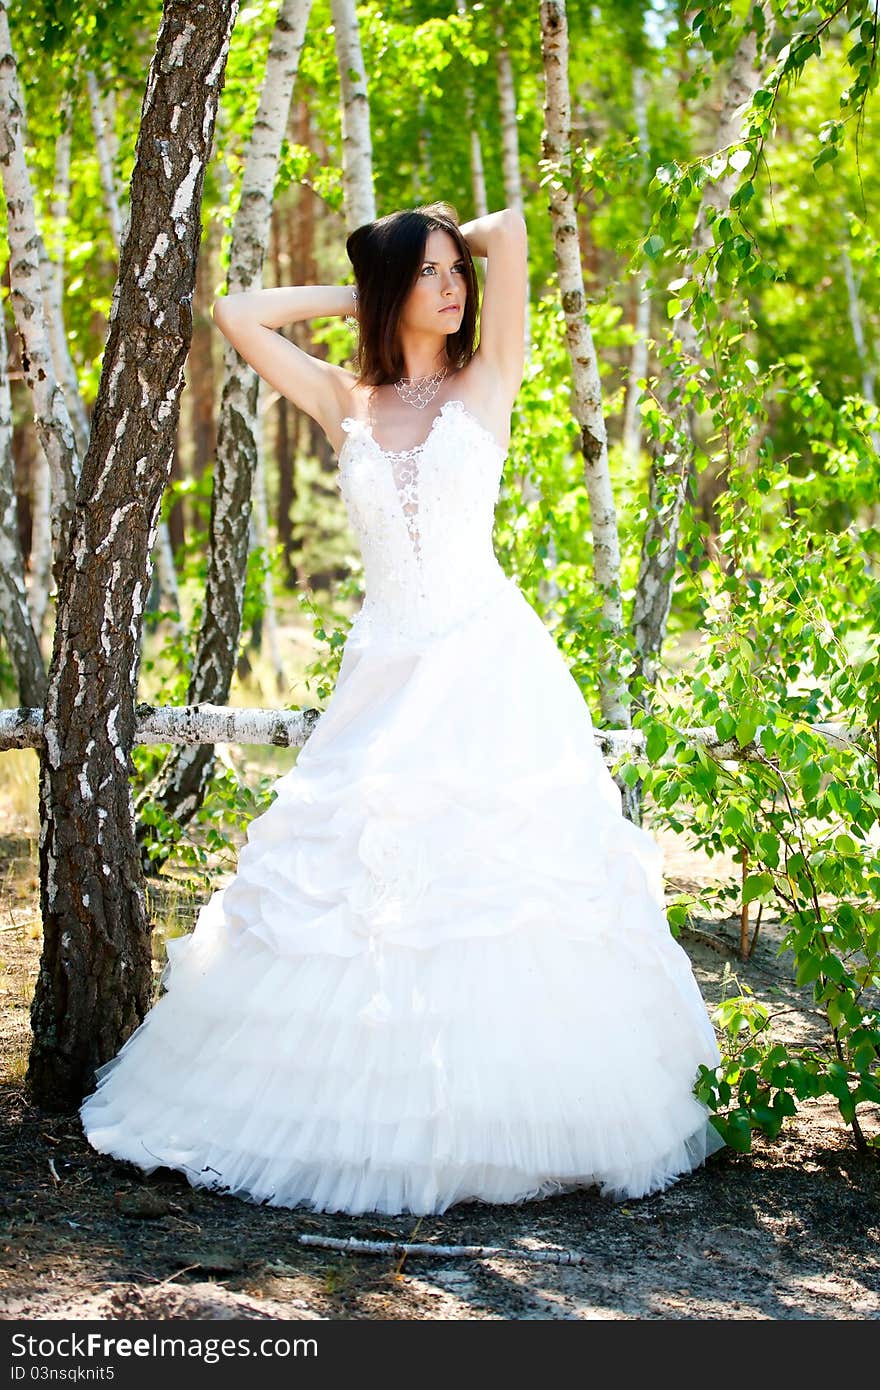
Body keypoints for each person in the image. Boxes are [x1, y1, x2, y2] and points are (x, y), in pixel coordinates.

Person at [79, 203, 726, 1215]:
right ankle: (362, 1111)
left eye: (451, 272)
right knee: (353, 902)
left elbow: (509, 231)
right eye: (426, 275)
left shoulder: (488, 376)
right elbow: (239, 312)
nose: (452, 286)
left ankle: (506, 1118)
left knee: (504, 893)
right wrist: (364, 285)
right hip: (385, 677)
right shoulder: (347, 397)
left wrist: (444, 242)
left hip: (487, 669)